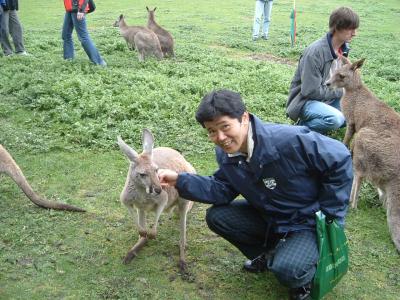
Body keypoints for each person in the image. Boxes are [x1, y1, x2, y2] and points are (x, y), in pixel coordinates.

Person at [158, 89, 353, 300]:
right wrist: (180, 180)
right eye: (211, 131)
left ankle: (302, 281)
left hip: (305, 222)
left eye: (225, 127)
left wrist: (330, 214)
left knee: (288, 270)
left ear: (243, 118)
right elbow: (222, 188)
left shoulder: (288, 140)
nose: (220, 137)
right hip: (270, 216)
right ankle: (269, 253)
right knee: (217, 217)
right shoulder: (226, 153)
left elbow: (339, 157)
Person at [286, 7, 359, 134]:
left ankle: (318, 127)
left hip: (326, 98)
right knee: (335, 119)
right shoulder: (315, 53)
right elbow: (310, 91)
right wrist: (340, 90)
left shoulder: (344, 50)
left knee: (357, 113)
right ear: (337, 27)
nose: (354, 33)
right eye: (350, 28)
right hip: (305, 101)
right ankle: (297, 132)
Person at [62, 0, 106, 66]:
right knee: (66, 35)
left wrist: (81, 10)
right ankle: (68, 59)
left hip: (77, 8)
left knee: (83, 37)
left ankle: (99, 63)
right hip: (70, 8)